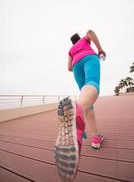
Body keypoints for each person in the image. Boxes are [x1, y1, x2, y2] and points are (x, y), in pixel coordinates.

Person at [54, 30, 106, 182]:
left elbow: (69, 68)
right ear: (80, 39)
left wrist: (75, 56)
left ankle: (95, 137)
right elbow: (90, 31)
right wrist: (100, 49)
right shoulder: (84, 40)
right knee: (93, 83)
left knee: (86, 98)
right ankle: (78, 111)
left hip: (76, 65)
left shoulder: (71, 49)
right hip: (89, 58)